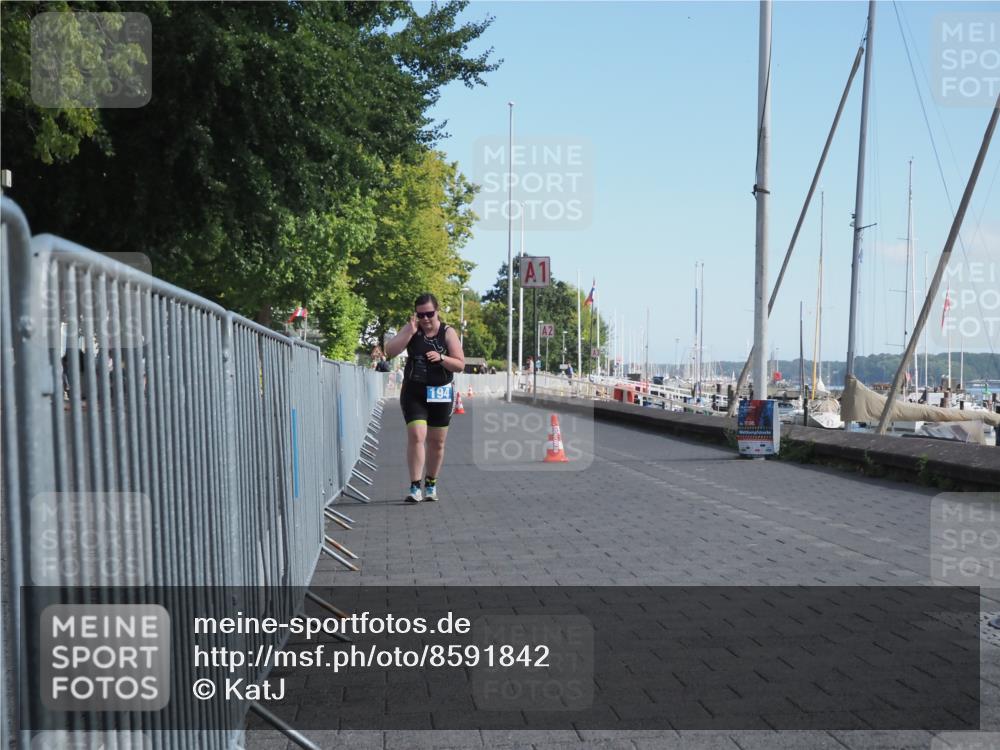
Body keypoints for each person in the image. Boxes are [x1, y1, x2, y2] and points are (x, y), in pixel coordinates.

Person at [383, 293, 465, 503]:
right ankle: (414, 486)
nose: (425, 319)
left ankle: (431, 483)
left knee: (437, 442)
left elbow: (460, 364)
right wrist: (409, 332)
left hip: (440, 391)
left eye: (429, 314)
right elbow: (389, 351)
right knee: (417, 435)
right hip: (414, 392)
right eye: (421, 315)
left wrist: (442, 357)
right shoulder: (412, 328)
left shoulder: (447, 332)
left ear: (437, 311)